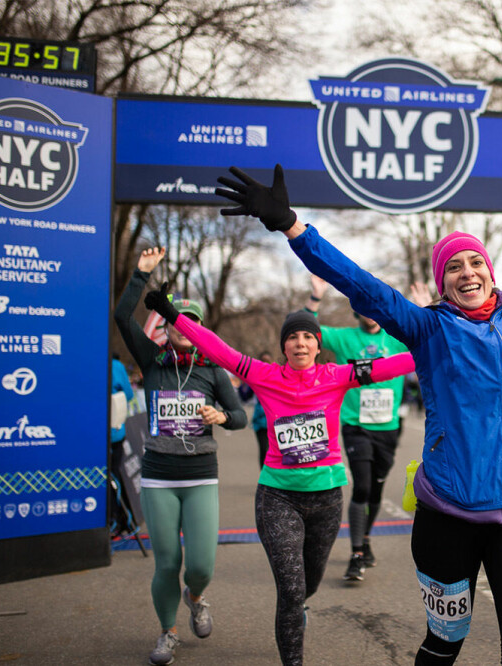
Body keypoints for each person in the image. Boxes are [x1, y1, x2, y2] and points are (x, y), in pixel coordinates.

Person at [214, 138, 502, 664]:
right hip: (447, 516)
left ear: (491, 273)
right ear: (442, 282)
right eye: (454, 267)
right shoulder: (427, 328)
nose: (468, 271)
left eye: (476, 262)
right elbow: (359, 283)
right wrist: (293, 226)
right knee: (443, 645)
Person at [143, 284, 414, 666]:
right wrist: (172, 316)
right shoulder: (262, 374)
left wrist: (436, 335)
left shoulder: (340, 375)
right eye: (292, 337)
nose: (300, 343)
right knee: (290, 589)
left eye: (308, 336)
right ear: (283, 346)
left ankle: (299, 603)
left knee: (308, 585)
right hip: (278, 497)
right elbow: (216, 346)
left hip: (327, 496)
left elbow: (399, 363)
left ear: (319, 345)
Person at [114, 248, 247, 666]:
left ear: (200, 330)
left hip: (201, 475)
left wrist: (222, 415)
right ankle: (167, 632)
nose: (182, 328)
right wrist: (140, 275)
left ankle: (197, 597)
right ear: (166, 327)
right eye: (175, 321)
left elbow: (241, 416)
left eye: (190, 323)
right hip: (158, 477)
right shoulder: (152, 363)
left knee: (201, 565)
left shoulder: (212, 370)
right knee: (167, 561)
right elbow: (121, 317)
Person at [304, 275, 430, 583]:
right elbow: (305, 332)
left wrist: (426, 308)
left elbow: (430, 337)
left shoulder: (397, 339)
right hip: (355, 425)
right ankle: (357, 553)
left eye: (376, 308)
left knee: (375, 489)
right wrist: (316, 298)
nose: (370, 313)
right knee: (361, 486)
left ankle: (366, 539)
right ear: (357, 312)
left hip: (388, 428)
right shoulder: (345, 338)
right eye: (364, 308)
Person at [110, 355, 136, 536]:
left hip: (111, 432)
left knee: (112, 475)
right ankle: (119, 520)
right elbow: (128, 394)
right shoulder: (115, 366)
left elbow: (128, 394)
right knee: (113, 475)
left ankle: (120, 520)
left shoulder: (114, 365)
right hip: (112, 432)